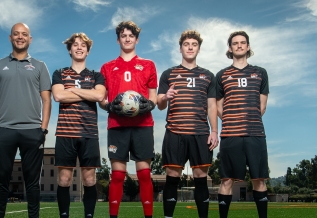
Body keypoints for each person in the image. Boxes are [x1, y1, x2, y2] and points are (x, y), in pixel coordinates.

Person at [0, 22, 51, 218]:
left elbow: (46, 99)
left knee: (32, 182)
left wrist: (43, 129)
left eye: (24, 34)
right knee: (1, 181)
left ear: (30, 39)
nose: (20, 37)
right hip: (3, 130)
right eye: (16, 34)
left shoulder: (40, 66)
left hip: (32, 131)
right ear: (10, 38)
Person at [99, 21, 158, 218]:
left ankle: (148, 216)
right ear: (118, 40)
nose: (127, 39)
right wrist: (108, 105)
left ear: (136, 39)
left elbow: (153, 96)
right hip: (117, 126)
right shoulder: (107, 67)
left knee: (144, 174)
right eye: (123, 36)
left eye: (130, 36)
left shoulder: (149, 65)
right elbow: (101, 99)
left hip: (143, 126)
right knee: (117, 175)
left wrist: (149, 104)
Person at [157, 30, 218, 218]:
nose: (190, 47)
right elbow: (159, 104)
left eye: (194, 44)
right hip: (175, 132)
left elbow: (211, 106)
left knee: (200, 178)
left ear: (198, 49)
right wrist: (165, 97)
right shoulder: (169, 74)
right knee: (172, 179)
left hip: (200, 133)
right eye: (186, 44)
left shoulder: (208, 76)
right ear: (180, 48)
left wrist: (214, 130)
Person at [51, 32, 106, 218]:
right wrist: (86, 92)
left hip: (89, 133)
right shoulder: (59, 73)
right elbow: (58, 96)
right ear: (70, 49)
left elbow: (99, 96)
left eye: (83, 45)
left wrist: (72, 90)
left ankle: (88, 216)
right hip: (65, 133)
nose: (79, 47)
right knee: (64, 179)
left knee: (89, 179)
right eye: (75, 44)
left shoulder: (96, 75)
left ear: (88, 51)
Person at [216, 31, 269, 218]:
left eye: (243, 42)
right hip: (231, 135)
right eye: (235, 43)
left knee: (259, 180)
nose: (239, 45)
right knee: (226, 181)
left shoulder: (260, 73)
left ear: (248, 46)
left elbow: (262, 107)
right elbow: (218, 106)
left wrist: (247, 119)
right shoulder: (221, 75)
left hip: (255, 134)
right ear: (230, 48)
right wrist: (232, 119)